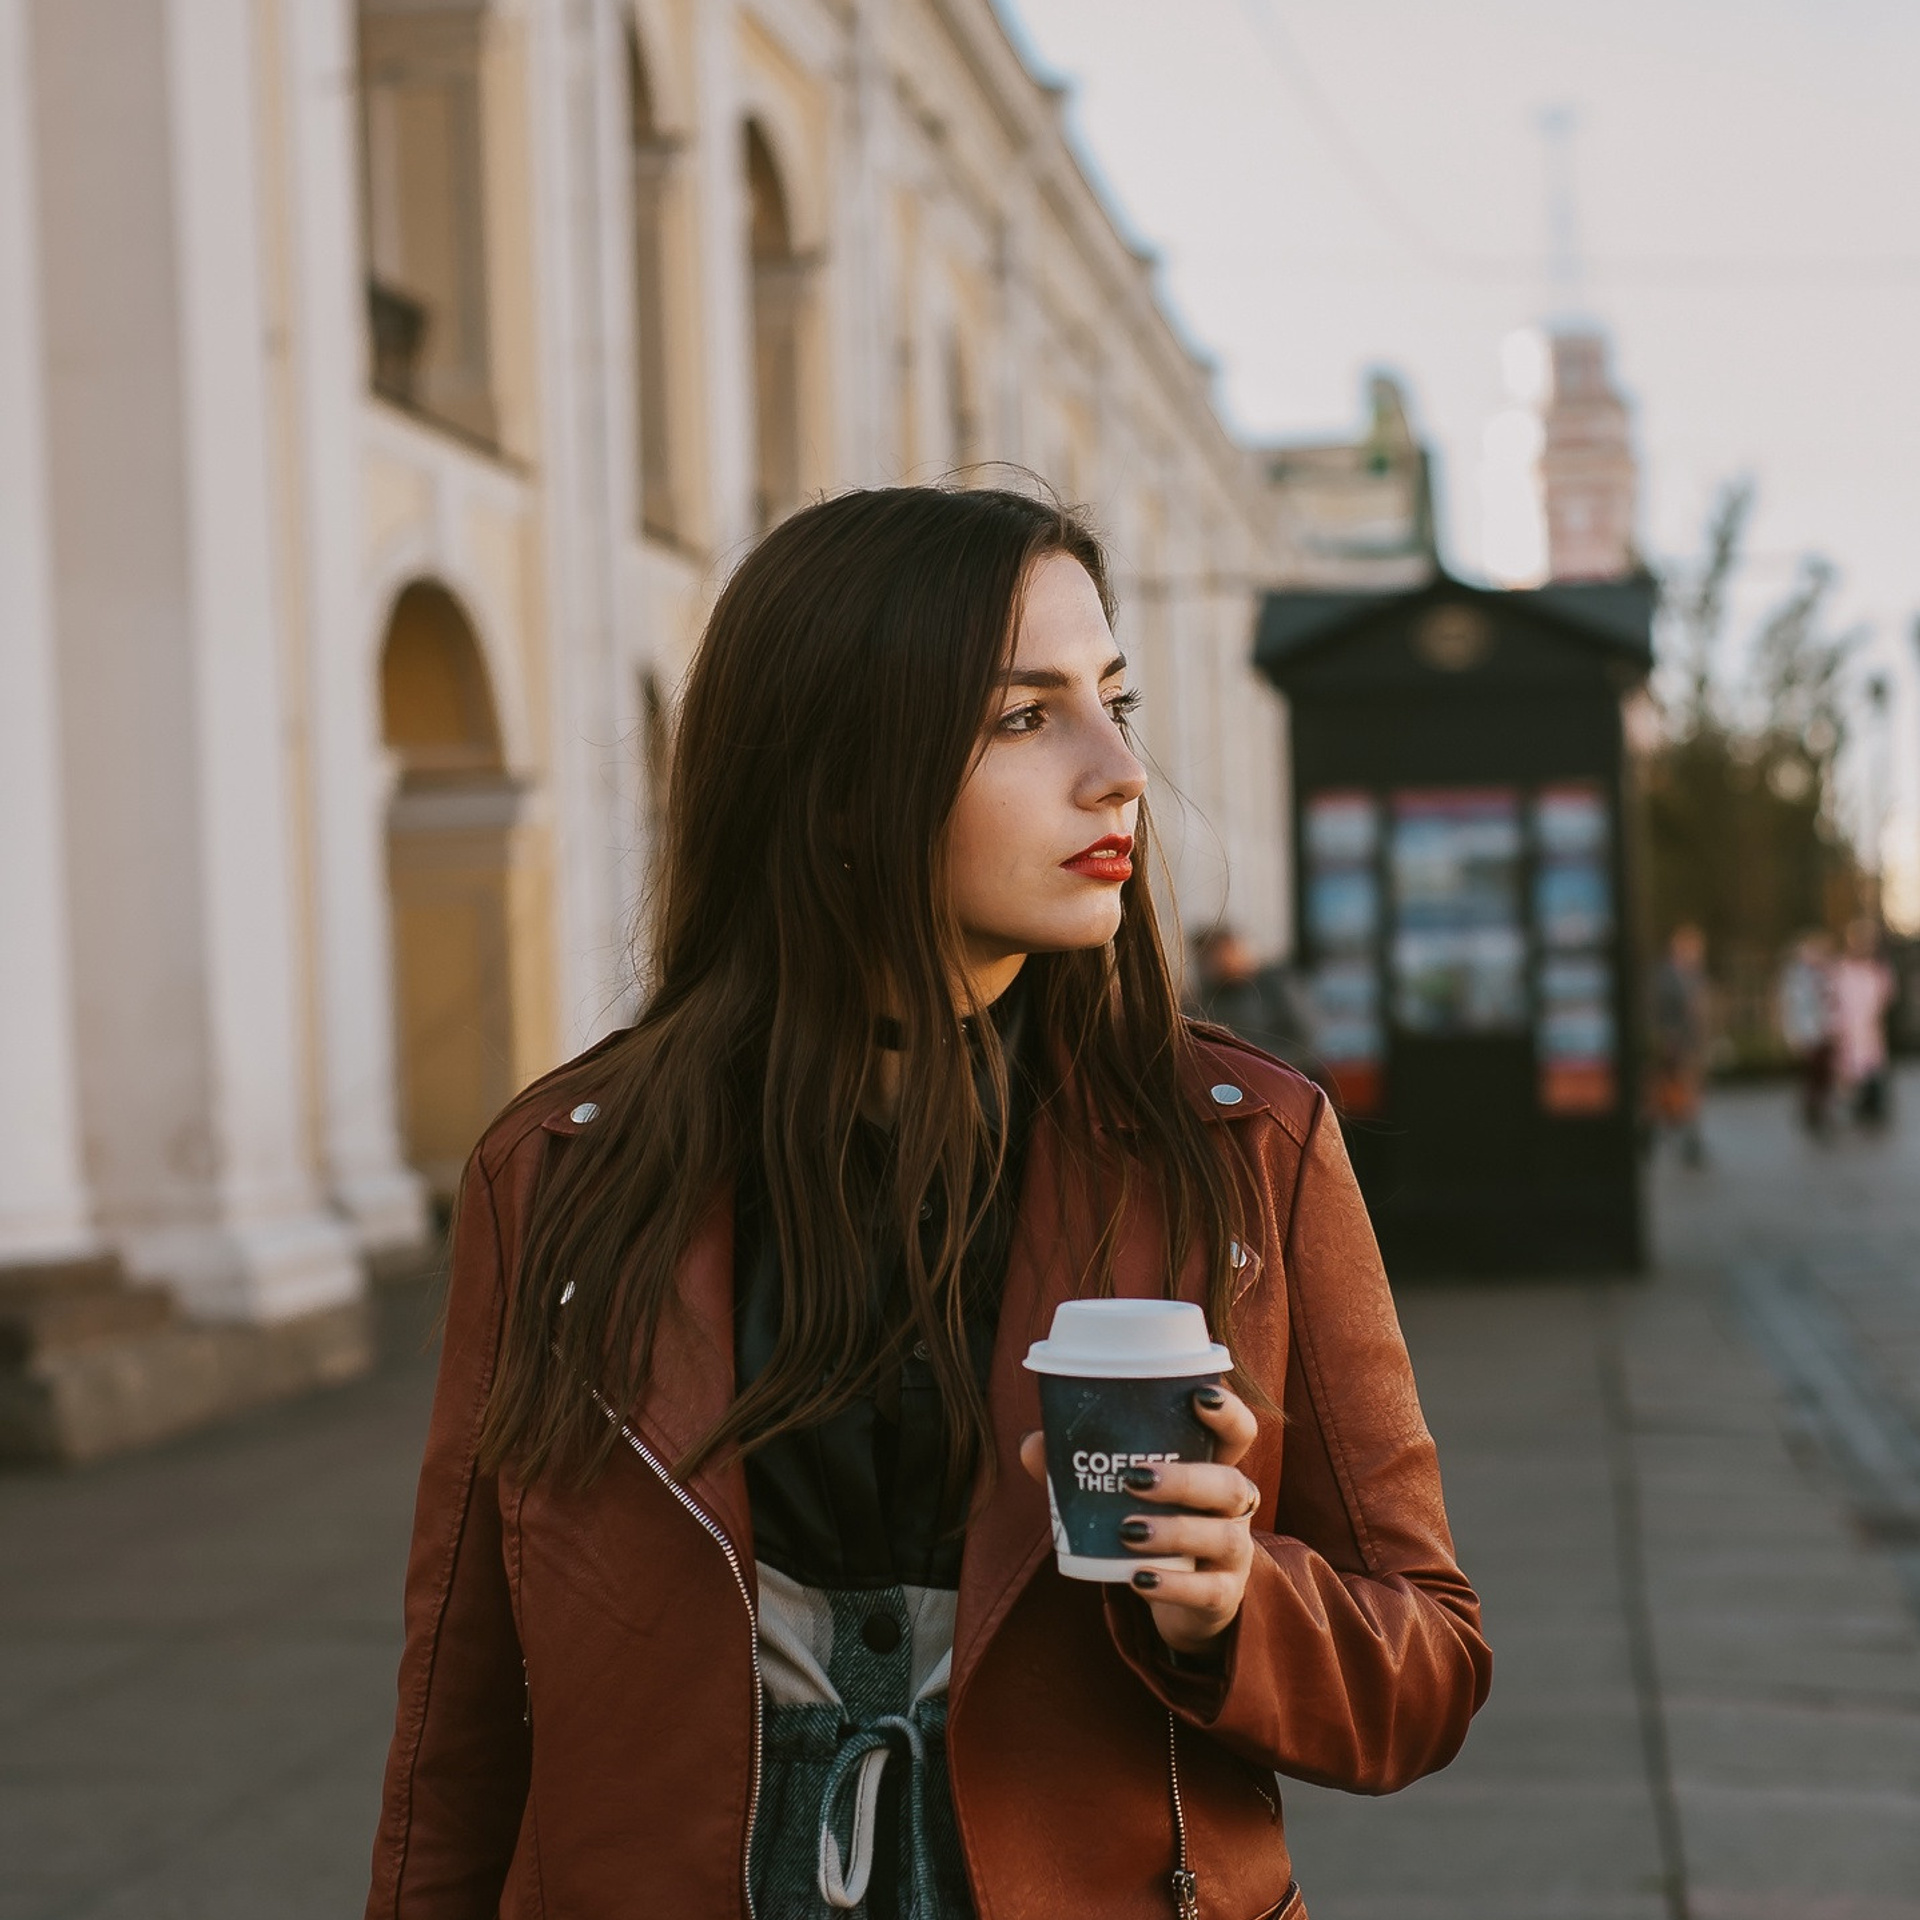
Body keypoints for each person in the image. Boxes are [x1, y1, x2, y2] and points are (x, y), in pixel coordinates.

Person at [364, 487, 1490, 1920]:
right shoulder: (562, 1173)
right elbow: (459, 1718)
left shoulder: (1243, 1146)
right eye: (1024, 717)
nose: (1119, 774)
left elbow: (1427, 1665)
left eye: (1114, 704)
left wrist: (1232, 1604)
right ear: (836, 776)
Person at [1189, 925, 1315, 1073]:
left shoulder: (1273, 984)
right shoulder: (1203, 1000)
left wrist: (1261, 1067)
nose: (1211, 965)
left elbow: (1304, 1038)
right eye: (1203, 959)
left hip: (1281, 1074)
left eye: (1214, 955)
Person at [1650, 923, 1712, 1166]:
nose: (1696, 953)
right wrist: (1667, 1036)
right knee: (1675, 1091)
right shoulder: (1665, 976)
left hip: (1695, 1042)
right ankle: (1679, 1136)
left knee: (1692, 1091)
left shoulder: (1696, 975)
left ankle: (1690, 1138)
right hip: (1675, 1042)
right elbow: (1659, 1009)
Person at [1829, 918, 1896, 1128]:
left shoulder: (1877, 969)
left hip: (1869, 1026)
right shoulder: (1840, 969)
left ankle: (1873, 1106)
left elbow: (1885, 997)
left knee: (1872, 1066)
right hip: (1847, 1027)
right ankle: (1857, 1105)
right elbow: (1834, 999)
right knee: (1850, 1068)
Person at [1776, 931, 1835, 1136]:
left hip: (1824, 1031)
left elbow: (1831, 1003)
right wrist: (1791, 1034)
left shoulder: (1825, 974)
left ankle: (1822, 1110)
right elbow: (1789, 1007)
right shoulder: (1794, 977)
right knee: (1811, 1075)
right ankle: (1812, 1112)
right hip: (1806, 1032)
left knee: (1824, 1075)